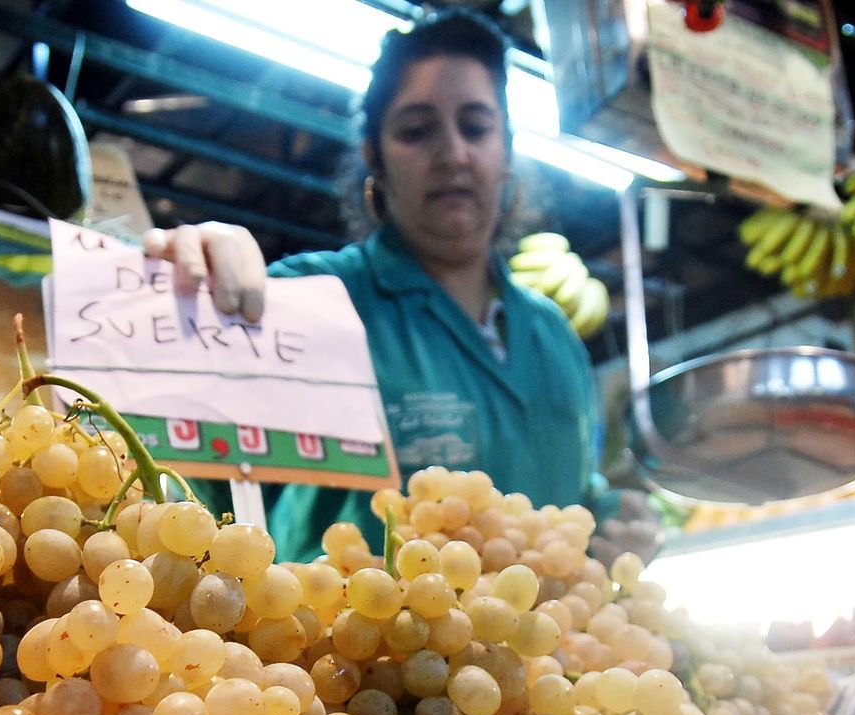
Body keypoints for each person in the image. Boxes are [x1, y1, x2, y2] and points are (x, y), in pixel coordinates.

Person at [145, 10, 644, 563]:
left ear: (506, 150)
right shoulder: (310, 301)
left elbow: (573, 498)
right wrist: (194, 283)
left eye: (475, 127)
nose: (454, 154)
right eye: (416, 131)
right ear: (374, 160)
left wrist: (616, 524)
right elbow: (178, 459)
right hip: (349, 648)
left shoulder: (555, 339)